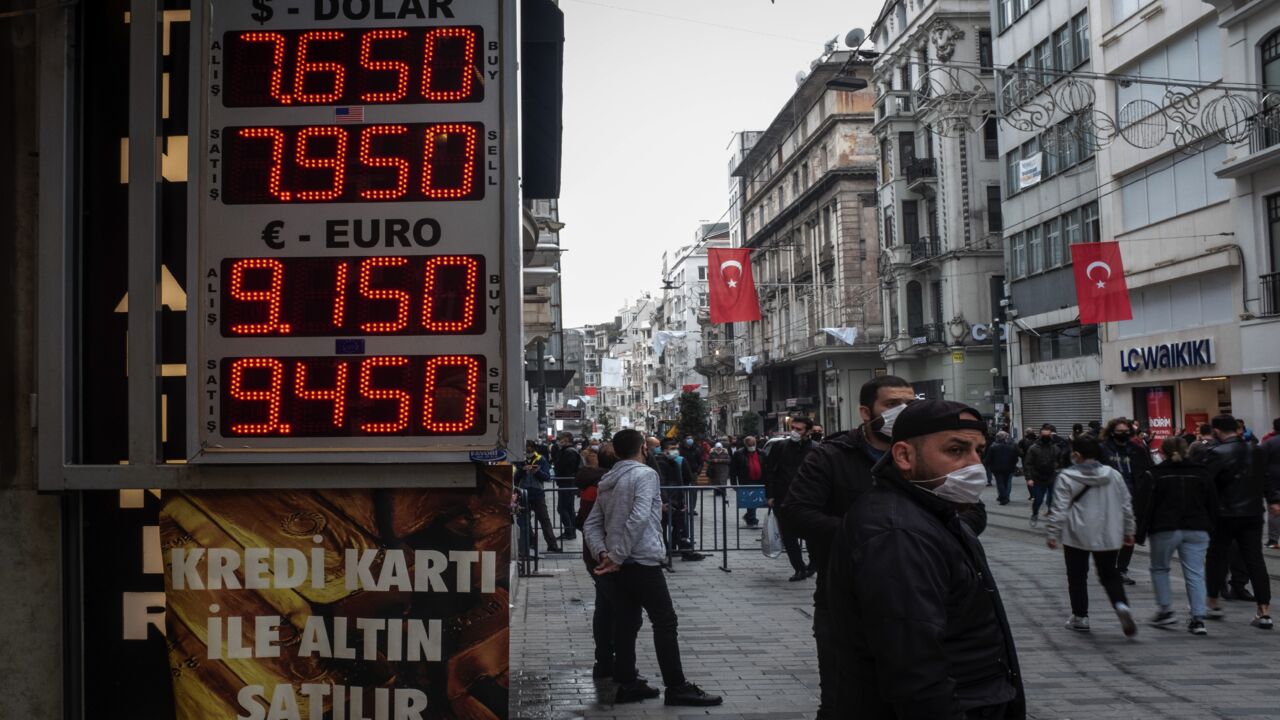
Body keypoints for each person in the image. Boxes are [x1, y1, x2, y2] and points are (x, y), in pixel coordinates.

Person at [826, 400, 1023, 718]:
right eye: (956, 450)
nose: (975, 466)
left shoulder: (934, 512)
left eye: (979, 452)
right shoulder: (897, 533)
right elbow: (914, 668)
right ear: (904, 456)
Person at [786, 375, 920, 720]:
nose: (903, 412)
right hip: (846, 597)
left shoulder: (926, 451)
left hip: (920, 595)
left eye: (910, 403)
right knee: (842, 700)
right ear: (866, 411)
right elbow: (798, 513)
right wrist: (869, 535)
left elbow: (971, 512)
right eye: (892, 405)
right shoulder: (831, 456)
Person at [583, 429, 724, 707]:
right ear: (643, 449)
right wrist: (618, 555)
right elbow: (638, 518)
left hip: (617, 564)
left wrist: (604, 553)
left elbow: (592, 524)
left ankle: (626, 682)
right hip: (642, 561)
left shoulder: (607, 478)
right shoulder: (645, 475)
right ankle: (676, 686)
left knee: (626, 621)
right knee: (665, 620)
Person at [1045, 434, 1138, 637]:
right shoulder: (1114, 475)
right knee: (1109, 574)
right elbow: (1126, 505)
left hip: (1077, 534)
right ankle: (1121, 606)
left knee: (1077, 576)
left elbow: (1059, 508)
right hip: (1108, 533)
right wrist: (1129, 530)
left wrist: (1053, 533)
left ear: (1076, 454)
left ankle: (1081, 617)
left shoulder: (1066, 477)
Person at [1133, 436, 1216, 635]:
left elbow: (1143, 506)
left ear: (1162, 452)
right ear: (1187, 450)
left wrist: (1139, 533)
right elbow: (1212, 502)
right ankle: (1198, 618)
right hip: (1197, 528)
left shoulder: (1154, 474)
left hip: (1164, 528)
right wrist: (1212, 526)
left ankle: (1166, 610)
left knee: (1160, 568)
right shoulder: (1202, 473)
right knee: (1195, 573)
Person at [1203, 414, 1273, 629]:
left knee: (1216, 557)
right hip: (1252, 513)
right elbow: (1265, 478)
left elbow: (1207, 486)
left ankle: (1213, 603)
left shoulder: (1215, 453)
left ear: (1216, 431)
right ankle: (1263, 611)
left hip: (1224, 515)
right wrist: (1274, 500)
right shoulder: (1256, 450)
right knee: (1255, 560)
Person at [576, 443, 617, 677]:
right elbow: (591, 522)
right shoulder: (600, 488)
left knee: (606, 606)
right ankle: (607, 659)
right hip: (604, 554)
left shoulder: (594, 485)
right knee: (611, 609)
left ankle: (605, 659)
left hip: (597, 553)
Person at [1100, 418, 1153, 584]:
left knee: (1129, 534)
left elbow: (1147, 471)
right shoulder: (1103, 449)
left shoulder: (1137, 449)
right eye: (1119, 431)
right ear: (1111, 432)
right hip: (1109, 498)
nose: (1123, 434)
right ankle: (1109, 567)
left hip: (1133, 498)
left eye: (1126, 431)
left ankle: (1122, 569)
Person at [765, 416, 817, 581]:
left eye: (799, 429)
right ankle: (799, 568)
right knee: (788, 535)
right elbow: (770, 471)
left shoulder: (816, 449)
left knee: (812, 534)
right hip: (783, 496)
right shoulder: (780, 446)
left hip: (808, 498)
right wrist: (770, 494)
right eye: (793, 427)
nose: (794, 431)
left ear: (808, 432)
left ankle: (813, 564)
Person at [655, 437, 704, 561]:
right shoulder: (660, 463)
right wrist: (665, 502)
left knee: (680, 526)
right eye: (672, 449)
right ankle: (670, 550)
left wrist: (682, 502)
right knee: (665, 526)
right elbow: (661, 484)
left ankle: (683, 549)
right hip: (668, 501)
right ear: (664, 450)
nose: (675, 451)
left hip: (676, 500)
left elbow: (680, 482)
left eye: (676, 448)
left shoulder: (674, 462)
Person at [515, 441, 562, 555]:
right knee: (523, 521)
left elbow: (547, 477)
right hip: (523, 494)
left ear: (534, 449)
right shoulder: (519, 460)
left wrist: (536, 472)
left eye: (530, 448)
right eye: (526, 449)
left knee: (544, 519)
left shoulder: (541, 459)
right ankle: (529, 542)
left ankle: (552, 545)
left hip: (537, 493)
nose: (528, 451)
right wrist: (522, 470)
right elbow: (515, 479)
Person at [1024, 424, 1061, 528]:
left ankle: (1052, 517)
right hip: (1038, 478)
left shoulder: (1055, 448)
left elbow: (1059, 460)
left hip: (1051, 477)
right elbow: (1028, 464)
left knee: (1052, 499)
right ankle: (1035, 513)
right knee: (1038, 500)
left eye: (1048, 435)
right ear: (1040, 435)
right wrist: (1029, 478)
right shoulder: (1034, 448)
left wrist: (1057, 467)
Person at [553, 432, 583, 541]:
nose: (560, 441)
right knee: (568, 508)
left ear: (567, 440)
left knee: (562, 508)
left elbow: (562, 467)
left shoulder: (569, 452)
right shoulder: (569, 451)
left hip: (567, 482)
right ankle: (570, 531)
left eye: (562, 439)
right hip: (567, 482)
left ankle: (569, 531)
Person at [729, 435, 764, 527]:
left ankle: (749, 517)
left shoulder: (761, 453)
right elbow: (733, 470)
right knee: (751, 500)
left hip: (759, 480)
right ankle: (752, 520)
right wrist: (734, 484)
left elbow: (765, 467)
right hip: (746, 480)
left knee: (757, 501)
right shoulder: (739, 454)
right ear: (745, 445)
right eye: (749, 445)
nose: (752, 446)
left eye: (753, 444)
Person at [984, 430, 1021, 505]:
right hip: (1008, 468)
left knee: (1000, 483)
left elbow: (988, 459)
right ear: (1005, 438)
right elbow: (1015, 458)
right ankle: (1005, 497)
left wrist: (987, 465)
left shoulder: (993, 447)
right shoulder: (1011, 447)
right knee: (1006, 482)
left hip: (996, 468)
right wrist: (1013, 464)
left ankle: (1003, 497)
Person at [1262, 419, 1280, 550]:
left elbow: (1261, 463)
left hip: (1273, 480)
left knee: (1274, 509)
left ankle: (1273, 540)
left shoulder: (1268, 443)